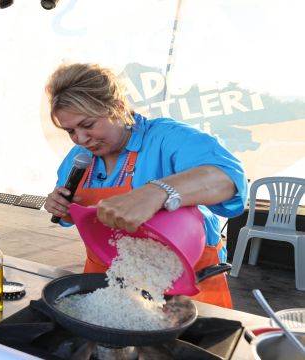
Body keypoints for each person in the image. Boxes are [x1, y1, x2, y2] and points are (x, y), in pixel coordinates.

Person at [43, 63, 247, 309]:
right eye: (70, 131)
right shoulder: (79, 158)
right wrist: (63, 209)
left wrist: (158, 191)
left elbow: (227, 178)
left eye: (88, 125)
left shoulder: (166, 138)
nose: (81, 139)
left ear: (117, 107)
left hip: (183, 284)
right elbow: (72, 211)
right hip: (106, 277)